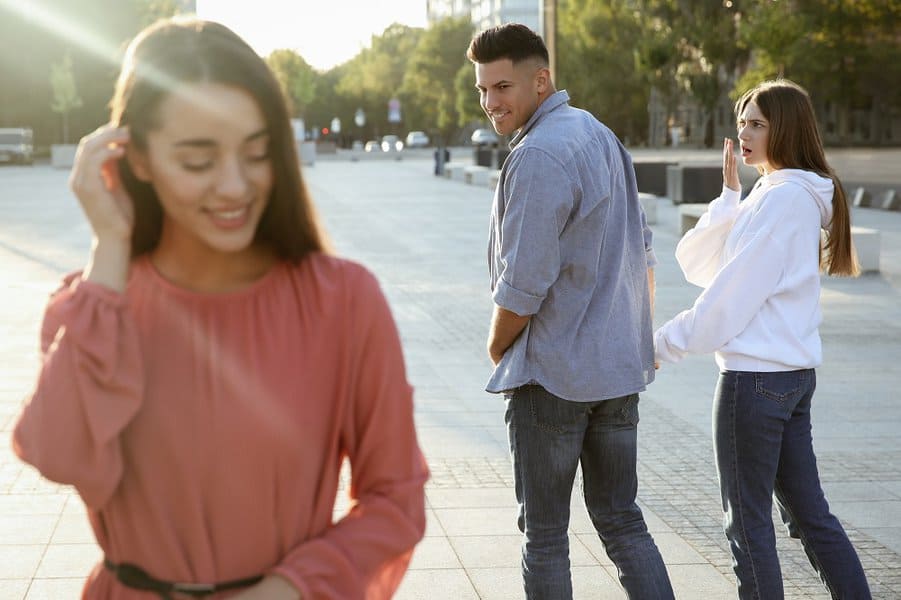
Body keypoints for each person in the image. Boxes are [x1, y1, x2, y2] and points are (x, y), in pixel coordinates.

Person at [12, 17, 428, 600]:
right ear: (136, 159)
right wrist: (108, 252)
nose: (234, 186)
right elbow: (58, 453)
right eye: (198, 161)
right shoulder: (93, 307)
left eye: (256, 153)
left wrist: (284, 590)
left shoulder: (344, 301)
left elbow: (397, 500)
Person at [467, 24, 674, 599]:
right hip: (613, 374)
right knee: (622, 522)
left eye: (503, 86)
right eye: (483, 90)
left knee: (546, 537)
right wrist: (625, 332)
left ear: (541, 80)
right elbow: (643, 251)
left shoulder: (538, 153)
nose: (491, 102)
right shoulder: (601, 135)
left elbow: (523, 283)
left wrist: (497, 345)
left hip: (553, 378)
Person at [654, 79, 871, 599]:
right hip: (788, 379)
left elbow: (728, 299)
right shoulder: (774, 195)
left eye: (757, 124)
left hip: (755, 383)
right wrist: (729, 198)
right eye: (741, 124)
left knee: (748, 525)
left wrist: (659, 345)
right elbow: (698, 264)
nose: (744, 135)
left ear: (786, 129)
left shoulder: (783, 201)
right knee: (808, 518)